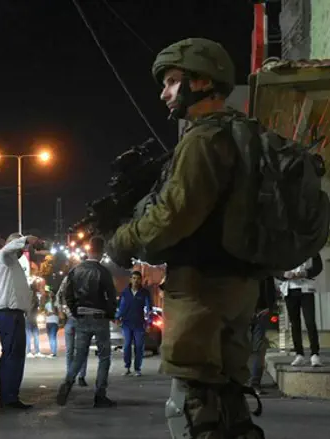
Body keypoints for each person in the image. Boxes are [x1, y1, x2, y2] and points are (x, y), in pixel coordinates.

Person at [106, 38, 265, 438]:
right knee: (228, 399)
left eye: (173, 81)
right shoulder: (243, 134)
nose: (164, 92)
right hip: (237, 283)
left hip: (201, 290)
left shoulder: (203, 140)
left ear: (202, 81)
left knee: (193, 406)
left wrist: (122, 240)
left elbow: (174, 215)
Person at [56, 236, 117, 408]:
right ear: (101, 251)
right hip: (99, 317)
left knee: (79, 355)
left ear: (88, 250)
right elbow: (111, 297)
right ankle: (100, 394)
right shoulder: (103, 272)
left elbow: (67, 294)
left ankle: (68, 382)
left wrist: (75, 310)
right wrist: (110, 313)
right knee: (104, 356)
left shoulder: (76, 271)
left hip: (81, 317)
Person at [0, 232, 41, 410]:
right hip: (8, 313)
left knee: (16, 355)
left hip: (15, 314)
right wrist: (26, 239)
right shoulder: (3, 258)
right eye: (20, 247)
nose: (22, 250)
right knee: (12, 355)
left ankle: (9, 394)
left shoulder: (14, 265)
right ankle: (8, 397)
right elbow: (8, 249)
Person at [280, 254, 324, 367]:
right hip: (289, 290)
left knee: (310, 321)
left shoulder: (311, 247)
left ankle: (315, 354)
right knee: (295, 323)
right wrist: (284, 274)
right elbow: (276, 269)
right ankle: (299, 354)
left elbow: (318, 266)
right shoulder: (284, 249)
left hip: (306, 289)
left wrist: (305, 273)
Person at [116, 270, 152, 377]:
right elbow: (122, 306)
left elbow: (147, 309)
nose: (136, 281)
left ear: (141, 280)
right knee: (127, 345)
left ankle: (137, 368)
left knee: (139, 346)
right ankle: (127, 367)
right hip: (127, 323)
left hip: (139, 324)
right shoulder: (125, 292)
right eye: (134, 278)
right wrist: (117, 317)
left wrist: (148, 323)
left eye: (138, 278)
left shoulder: (145, 293)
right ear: (131, 279)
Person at [57, 279, 90, 387]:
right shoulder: (67, 280)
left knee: (82, 349)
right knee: (70, 350)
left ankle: (81, 376)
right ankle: (70, 376)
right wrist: (61, 311)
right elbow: (58, 296)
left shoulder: (86, 282)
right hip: (70, 320)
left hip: (82, 320)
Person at [249, 277, 277, 394]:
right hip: (250, 308)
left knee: (258, 346)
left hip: (258, 309)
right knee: (253, 346)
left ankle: (253, 383)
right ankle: (252, 384)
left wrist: (270, 306)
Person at [25, 285, 42, 357]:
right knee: (35, 335)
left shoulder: (27, 296)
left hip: (29, 318)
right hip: (32, 318)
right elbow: (34, 306)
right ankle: (36, 351)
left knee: (29, 336)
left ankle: (29, 351)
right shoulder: (34, 297)